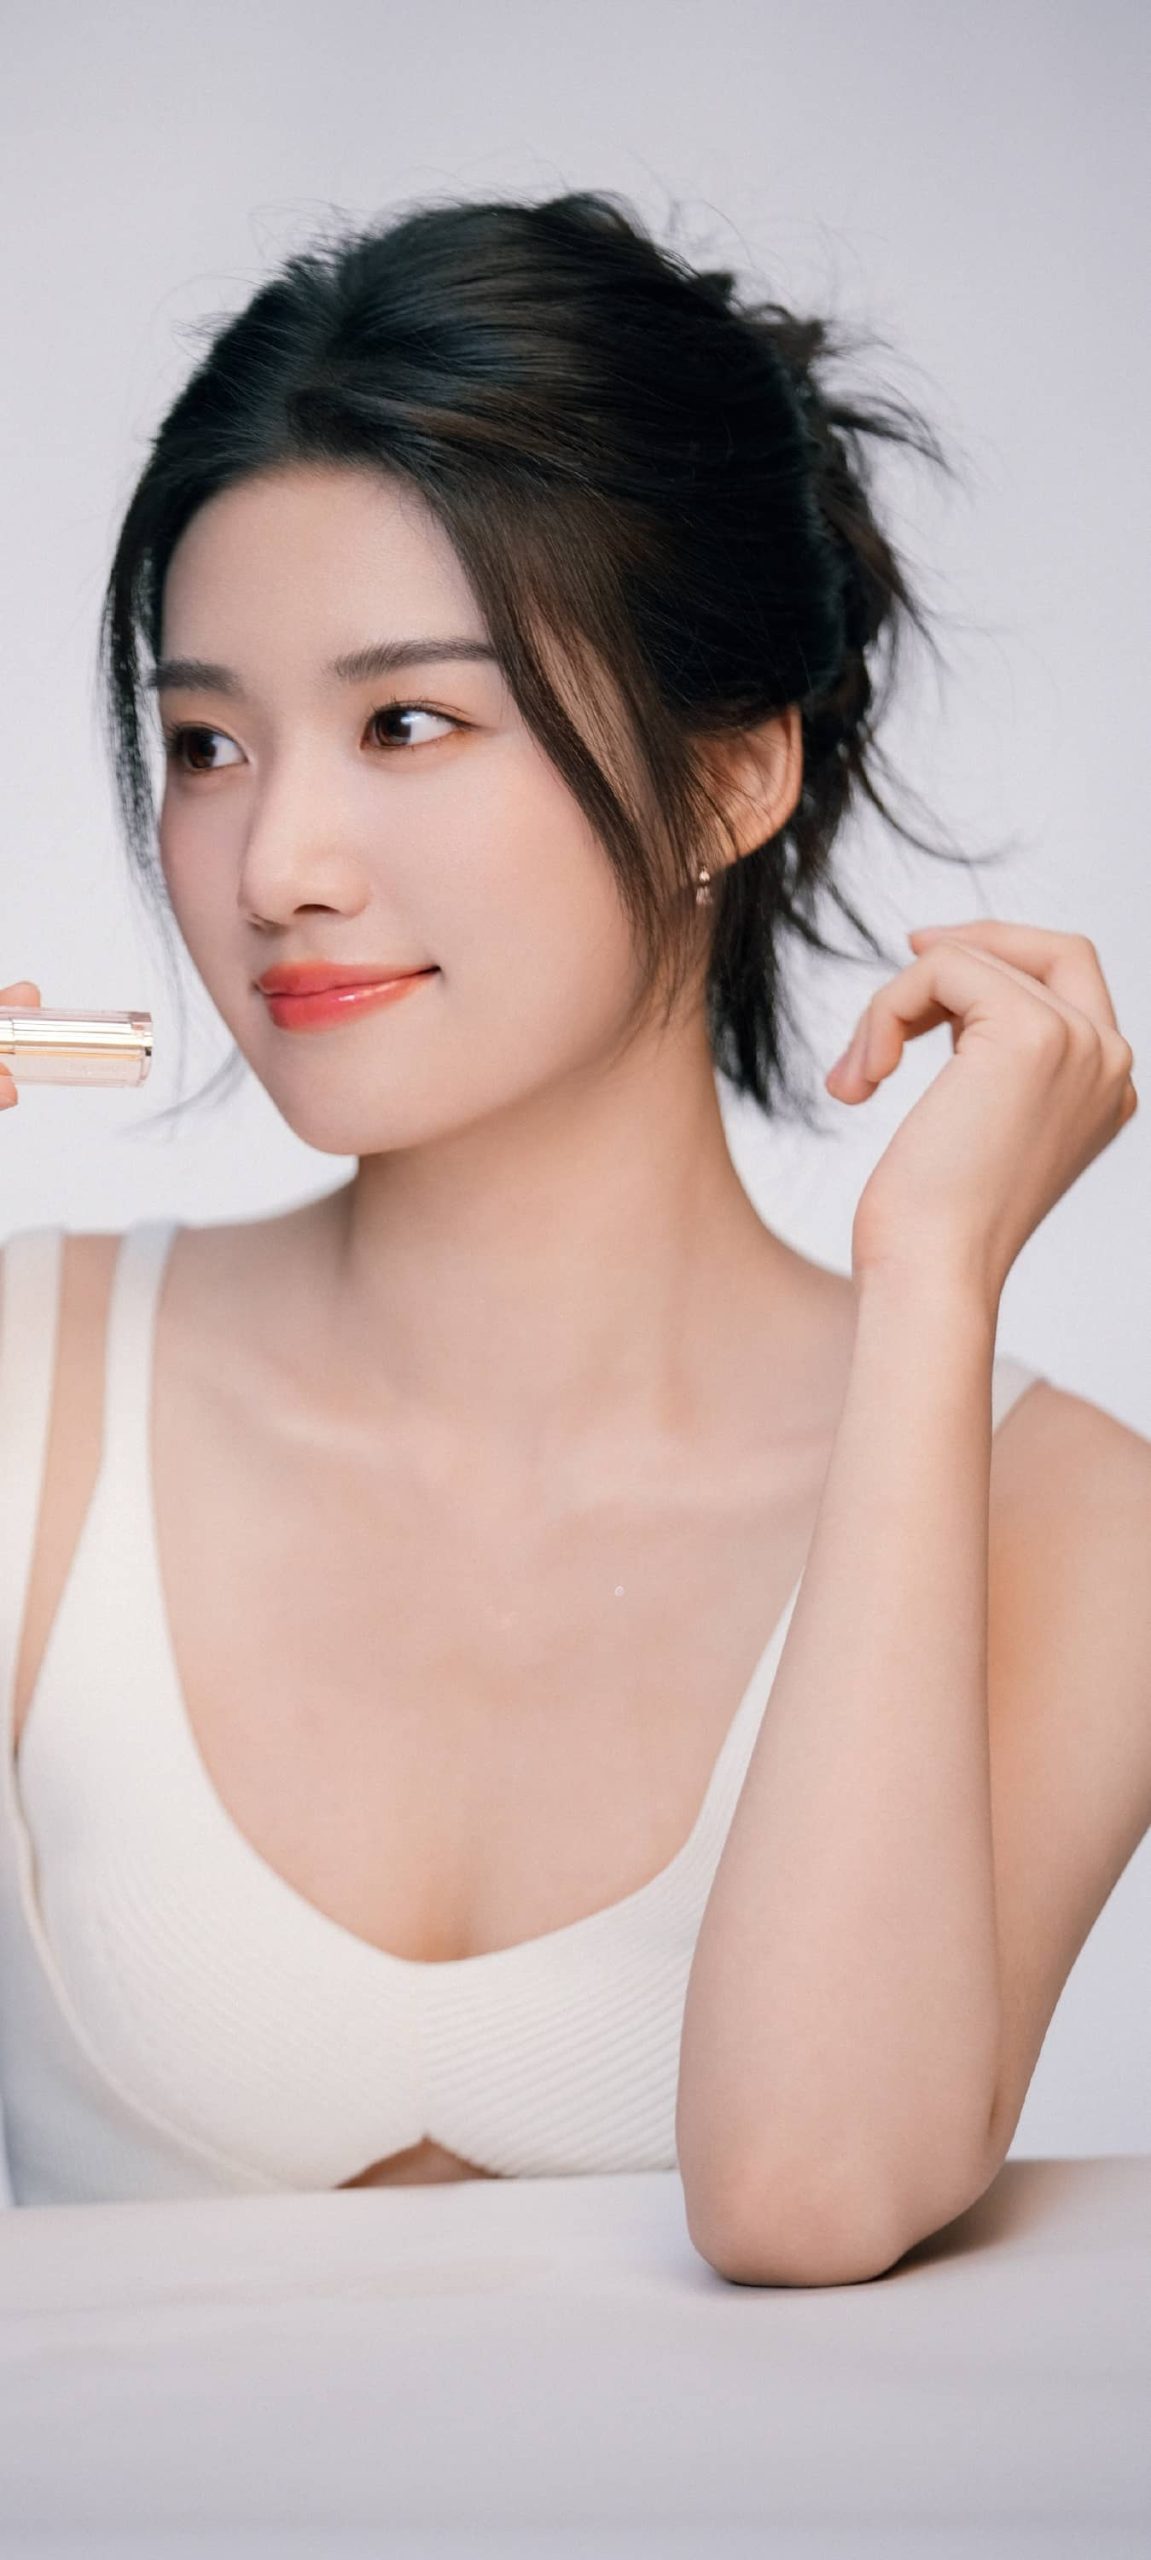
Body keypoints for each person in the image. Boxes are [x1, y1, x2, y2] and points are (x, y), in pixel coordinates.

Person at [0, 191, 1146, 2283]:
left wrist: (929, 1287)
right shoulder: (32, 1390)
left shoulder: (1080, 1517)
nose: (276, 863)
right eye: (208, 744)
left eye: (407, 723)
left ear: (731, 775)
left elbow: (807, 2192)